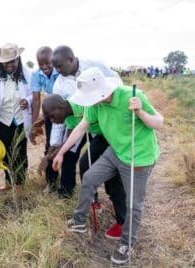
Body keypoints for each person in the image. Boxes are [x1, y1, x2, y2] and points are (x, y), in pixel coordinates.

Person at [52, 67, 163, 265]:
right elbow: (80, 129)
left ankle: (127, 243)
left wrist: (140, 112)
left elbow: (159, 123)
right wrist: (60, 152)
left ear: (102, 92)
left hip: (139, 156)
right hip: (116, 151)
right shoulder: (93, 104)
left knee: (133, 204)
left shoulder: (131, 95)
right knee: (89, 177)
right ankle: (79, 221)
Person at [42, 94, 127, 240]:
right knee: (84, 165)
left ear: (61, 107)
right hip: (101, 136)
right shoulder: (68, 116)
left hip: (115, 135)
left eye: (52, 116)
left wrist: (58, 154)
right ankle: (93, 202)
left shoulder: (83, 102)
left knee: (113, 177)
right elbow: (71, 138)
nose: (52, 120)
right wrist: (55, 155)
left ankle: (123, 222)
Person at [49, 45, 121, 201]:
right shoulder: (58, 84)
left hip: (101, 124)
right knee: (70, 156)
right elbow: (58, 116)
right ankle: (67, 193)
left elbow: (115, 81)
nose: (57, 71)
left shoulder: (94, 65)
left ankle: (112, 195)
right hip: (77, 124)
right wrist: (55, 144)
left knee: (104, 158)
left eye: (59, 66)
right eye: (55, 67)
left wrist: (116, 107)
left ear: (71, 59)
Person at [0, 43, 32, 191]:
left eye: (13, 61)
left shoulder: (26, 72)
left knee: (20, 151)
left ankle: (19, 184)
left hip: (21, 118)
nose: (10, 65)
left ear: (18, 60)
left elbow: (34, 92)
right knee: (5, 151)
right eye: (6, 62)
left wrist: (28, 100)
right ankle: (8, 182)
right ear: (1, 62)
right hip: (4, 119)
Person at [29, 46, 59, 193]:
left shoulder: (60, 72)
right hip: (50, 114)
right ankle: (51, 182)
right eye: (41, 64)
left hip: (66, 112)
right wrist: (34, 125)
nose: (44, 67)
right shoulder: (36, 74)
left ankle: (66, 184)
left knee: (65, 147)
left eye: (47, 63)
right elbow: (36, 99)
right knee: (50, 145)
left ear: (53, 61)